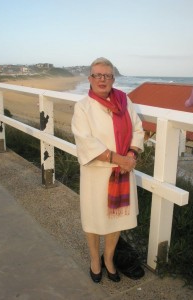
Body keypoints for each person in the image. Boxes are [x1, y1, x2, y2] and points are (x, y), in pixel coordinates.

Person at [71, 57, 144, 283]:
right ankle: (95, 260)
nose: (102, 80)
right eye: (97, 75)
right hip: (96, 173)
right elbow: (85, 141)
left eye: (107, 75)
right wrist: (118, 158)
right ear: (90, 78)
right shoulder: (82, 106)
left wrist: (130, 155)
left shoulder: (125, 101)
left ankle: (109, 259)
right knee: (93, 219)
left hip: (121, 173)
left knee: (117, 221)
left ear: (113, 78)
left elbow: (138, 130)